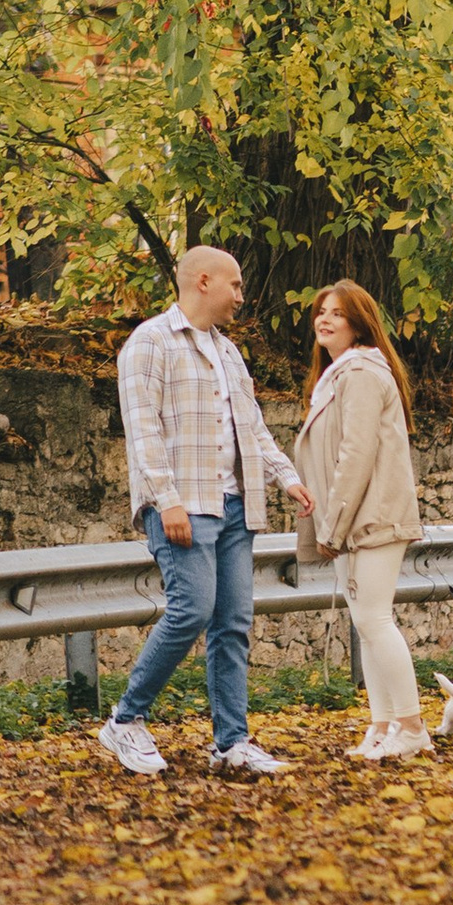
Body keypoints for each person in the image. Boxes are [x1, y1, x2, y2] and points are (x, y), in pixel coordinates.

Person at [98, 243, 311, 781]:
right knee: (191, 610)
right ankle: (125, 720)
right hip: (184, 505)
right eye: (234, 285)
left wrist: (287, 476)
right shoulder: (149, 342)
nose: (241, 295)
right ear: (203, 281)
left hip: (236, 506)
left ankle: (231, 743)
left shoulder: (229, 352)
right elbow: (142, 430)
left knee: (232, 624)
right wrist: (165, 498)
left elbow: (252, 426)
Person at [292, 279, 427, 763]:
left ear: (359, 325)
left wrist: (332, 526)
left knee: (374, 619)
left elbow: (356, 455)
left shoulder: (363, 373)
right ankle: (383, 725)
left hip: (373, 517)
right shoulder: (338, 376)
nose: (325, 320)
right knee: (366, 623)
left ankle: (411, 727)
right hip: (354, 520)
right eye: (321, 312)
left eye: (337, 313)